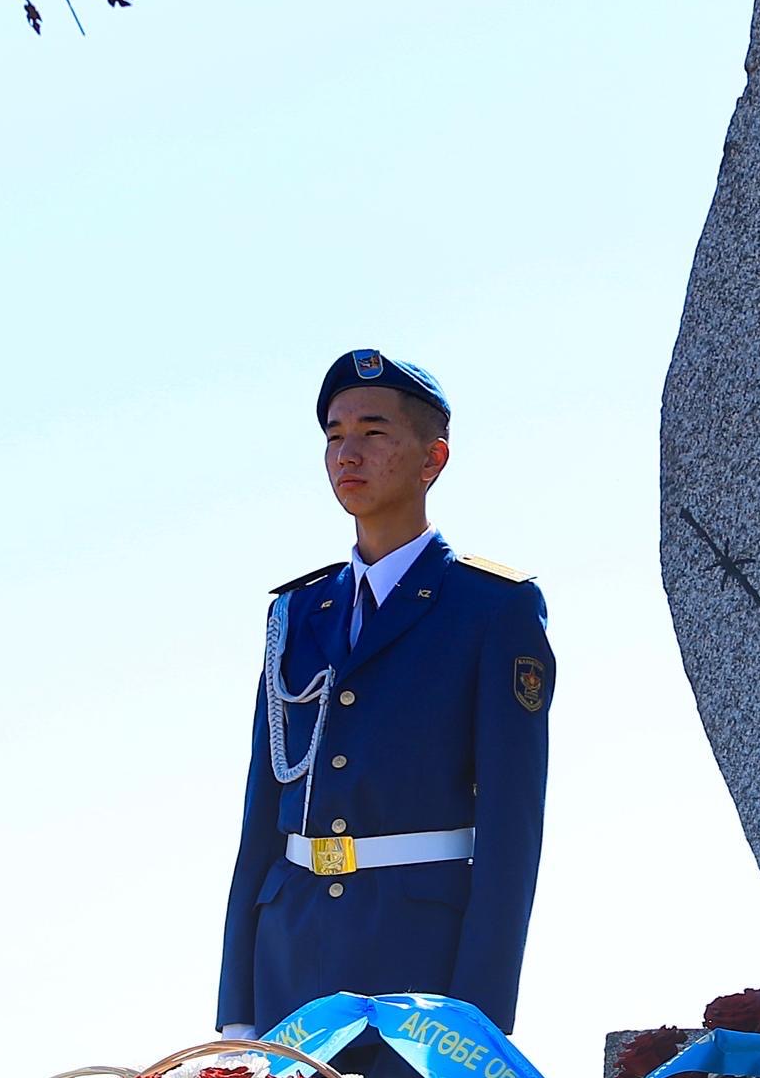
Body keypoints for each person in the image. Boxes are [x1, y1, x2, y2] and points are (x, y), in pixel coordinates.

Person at [215, 351, 556, 1042]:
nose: (348, 452)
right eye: (334, 435)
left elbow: (511, 836)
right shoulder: (296, 614)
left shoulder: (492, 608)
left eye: (373, 432)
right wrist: (237, 1008)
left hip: (421, 972)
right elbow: (260, 818)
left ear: (433, 457)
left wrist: (478, 1020)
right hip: (289, 963)